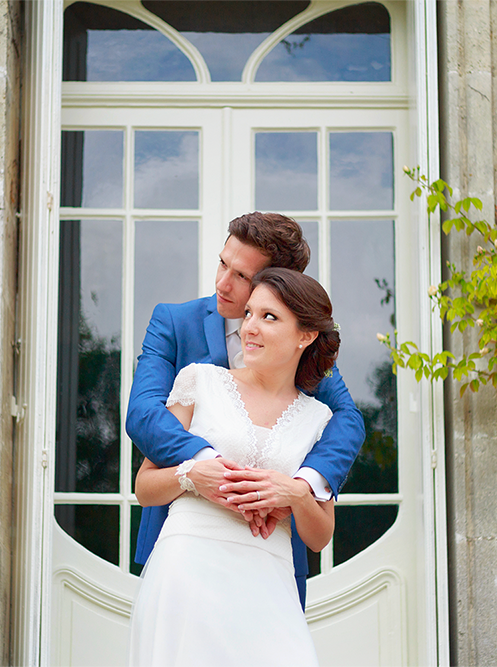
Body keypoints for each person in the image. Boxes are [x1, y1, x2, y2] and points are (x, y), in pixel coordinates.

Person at [125, 212, 365, 608]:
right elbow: (144, 414)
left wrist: (302, 486)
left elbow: (348, 419)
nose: (222, 283)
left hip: (270, 559)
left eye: (241, 276)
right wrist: (208, 466)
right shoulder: (174, 321)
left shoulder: (297, 343)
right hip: (184, 545)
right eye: (223, 264)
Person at [128, 268, 340, 667]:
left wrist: (294, 494)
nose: (250, 328)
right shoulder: (200, 382)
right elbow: (144, 487)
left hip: (270, 585)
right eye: (249, 315)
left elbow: (320, 537)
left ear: (306, 335)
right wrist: (191, 476)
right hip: (187, 571)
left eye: (269, 317)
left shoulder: (320, 419)